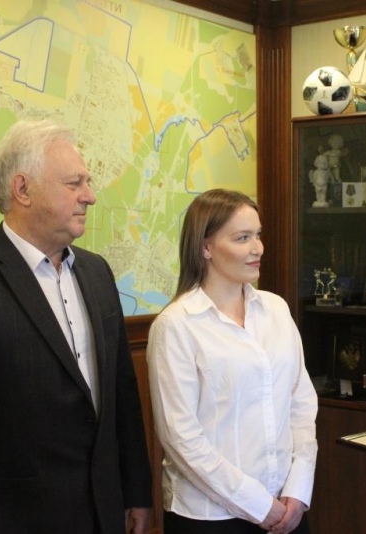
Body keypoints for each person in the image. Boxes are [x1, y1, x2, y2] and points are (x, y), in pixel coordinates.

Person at [0, 119, 153, 533]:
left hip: (105, 515)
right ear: (23, 189)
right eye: (74, 183)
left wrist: (136, 491)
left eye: (87, 182)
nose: (89, 196)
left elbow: (121, 394)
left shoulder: (97, 273)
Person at [147, 189, 318, 534]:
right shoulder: (176, 325)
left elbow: (301, 405)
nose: (258, 248)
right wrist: (258, 505)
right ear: (205, 248)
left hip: (287, 508)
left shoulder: (276, 309)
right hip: (211, 518)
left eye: (258, 235)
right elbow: (181, 438)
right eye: (242, 238)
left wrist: (299, 489)